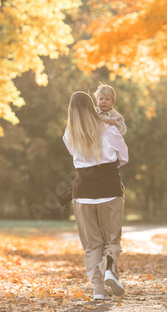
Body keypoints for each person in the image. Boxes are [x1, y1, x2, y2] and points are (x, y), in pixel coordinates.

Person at [63, 91, 129, 301]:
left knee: (92, 245)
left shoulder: (69, 134)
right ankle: (109, 270)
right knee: (111, 239)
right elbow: (124, 157)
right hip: (109, 190)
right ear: (92, 106)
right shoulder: (109, 129)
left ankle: (98, 289)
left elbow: (76, 157)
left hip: (82, 194)